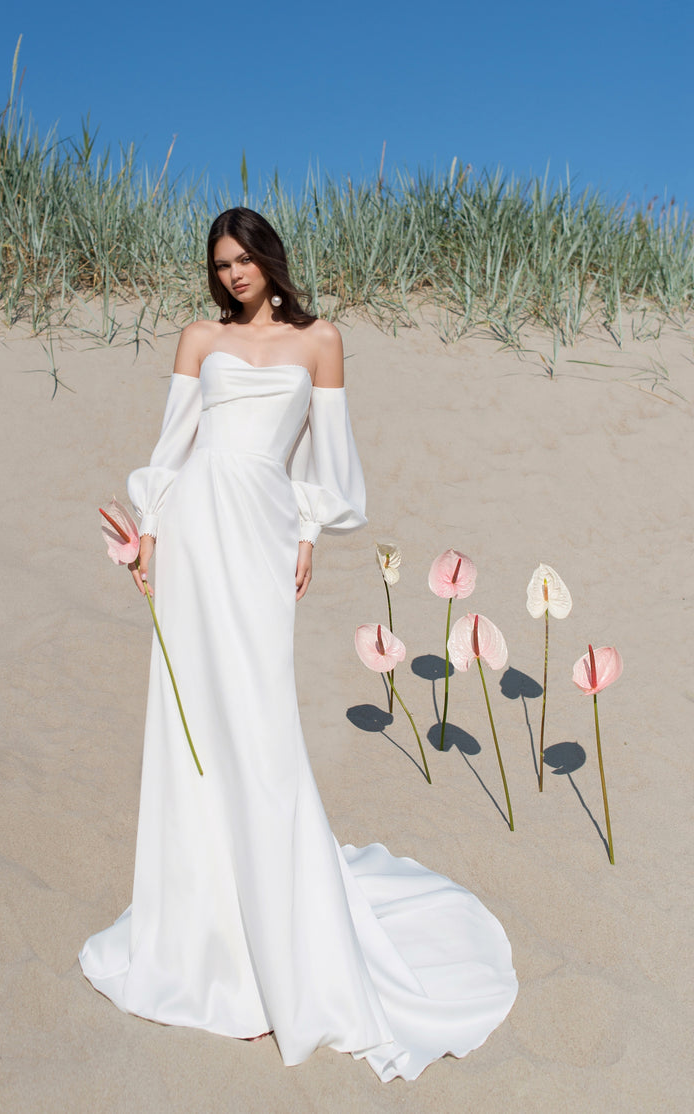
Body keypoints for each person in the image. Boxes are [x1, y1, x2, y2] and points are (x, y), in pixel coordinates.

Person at [79, 207, 517, 1082]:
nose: (234, 273)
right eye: (221, 263)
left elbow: (329, 460)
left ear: (271, 261)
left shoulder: (322, 341)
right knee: (191, 723)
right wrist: (150, 541)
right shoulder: (197, 338)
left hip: (265, 534)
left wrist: (309, 534)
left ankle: (280, 943)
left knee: (263, 731)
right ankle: (208, 950)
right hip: (197, 536)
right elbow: (172, 450)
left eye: (245, 259)